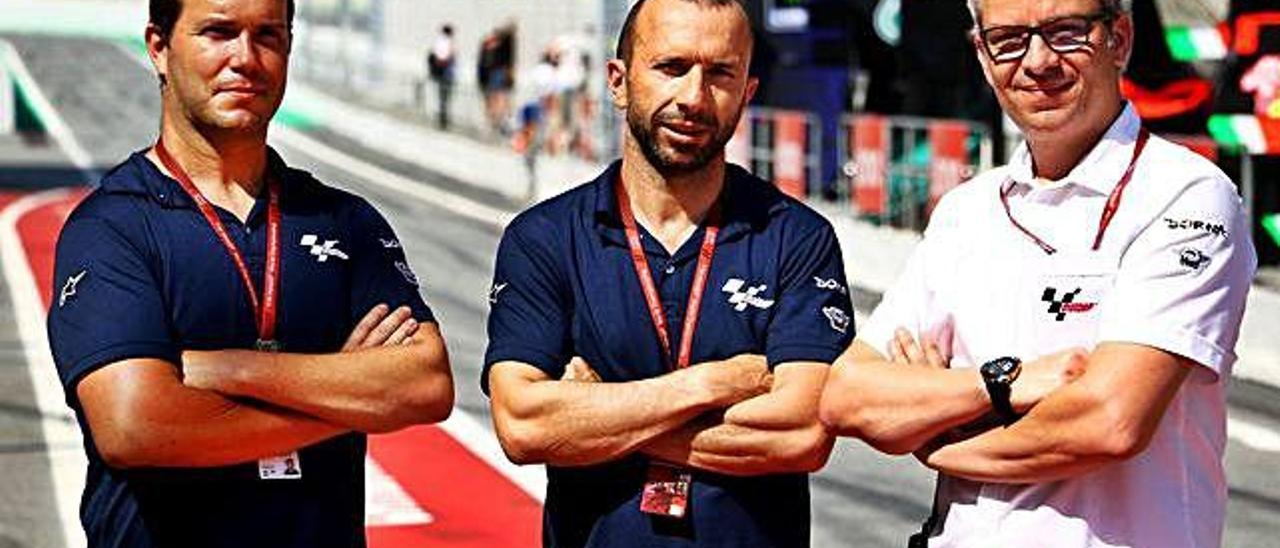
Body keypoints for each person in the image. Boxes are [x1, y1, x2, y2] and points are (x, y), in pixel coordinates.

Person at [818, 0, 1256, 547]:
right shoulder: (965, 210)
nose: (1038, 61)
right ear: (981, 54)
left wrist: (934, 438)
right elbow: (847, 395)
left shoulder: (1186, 195)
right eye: (1008, 40)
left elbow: (1107, 420)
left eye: (1066, 32)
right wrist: (1000, 386)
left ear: (1119, 38)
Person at [46, 1, 454, 546]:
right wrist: (351, 399)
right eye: (218, 32)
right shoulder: (112, 226)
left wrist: (223, 370)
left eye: (268, 35)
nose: (246, 58)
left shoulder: (346, 220)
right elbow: (135, 426)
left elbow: (425, 382)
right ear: (158, 47)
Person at [483, 0, 854, 546]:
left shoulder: (797, 238)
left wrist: (597, 413)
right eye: (672, 67)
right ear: (619, 81)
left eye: (720, 73)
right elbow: (523, 425)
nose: (693, 98)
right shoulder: (544, 238)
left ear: (747, 93)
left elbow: (802, 433)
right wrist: (710, 384)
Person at [427, 23, 456, 129]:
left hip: (444, 74)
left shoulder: (440, 42)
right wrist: (448, 59)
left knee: (443, 98)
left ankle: (443, 119)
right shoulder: (445, 42)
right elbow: (442, 58)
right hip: (445, 74)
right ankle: (443, 120)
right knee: (444, 98)